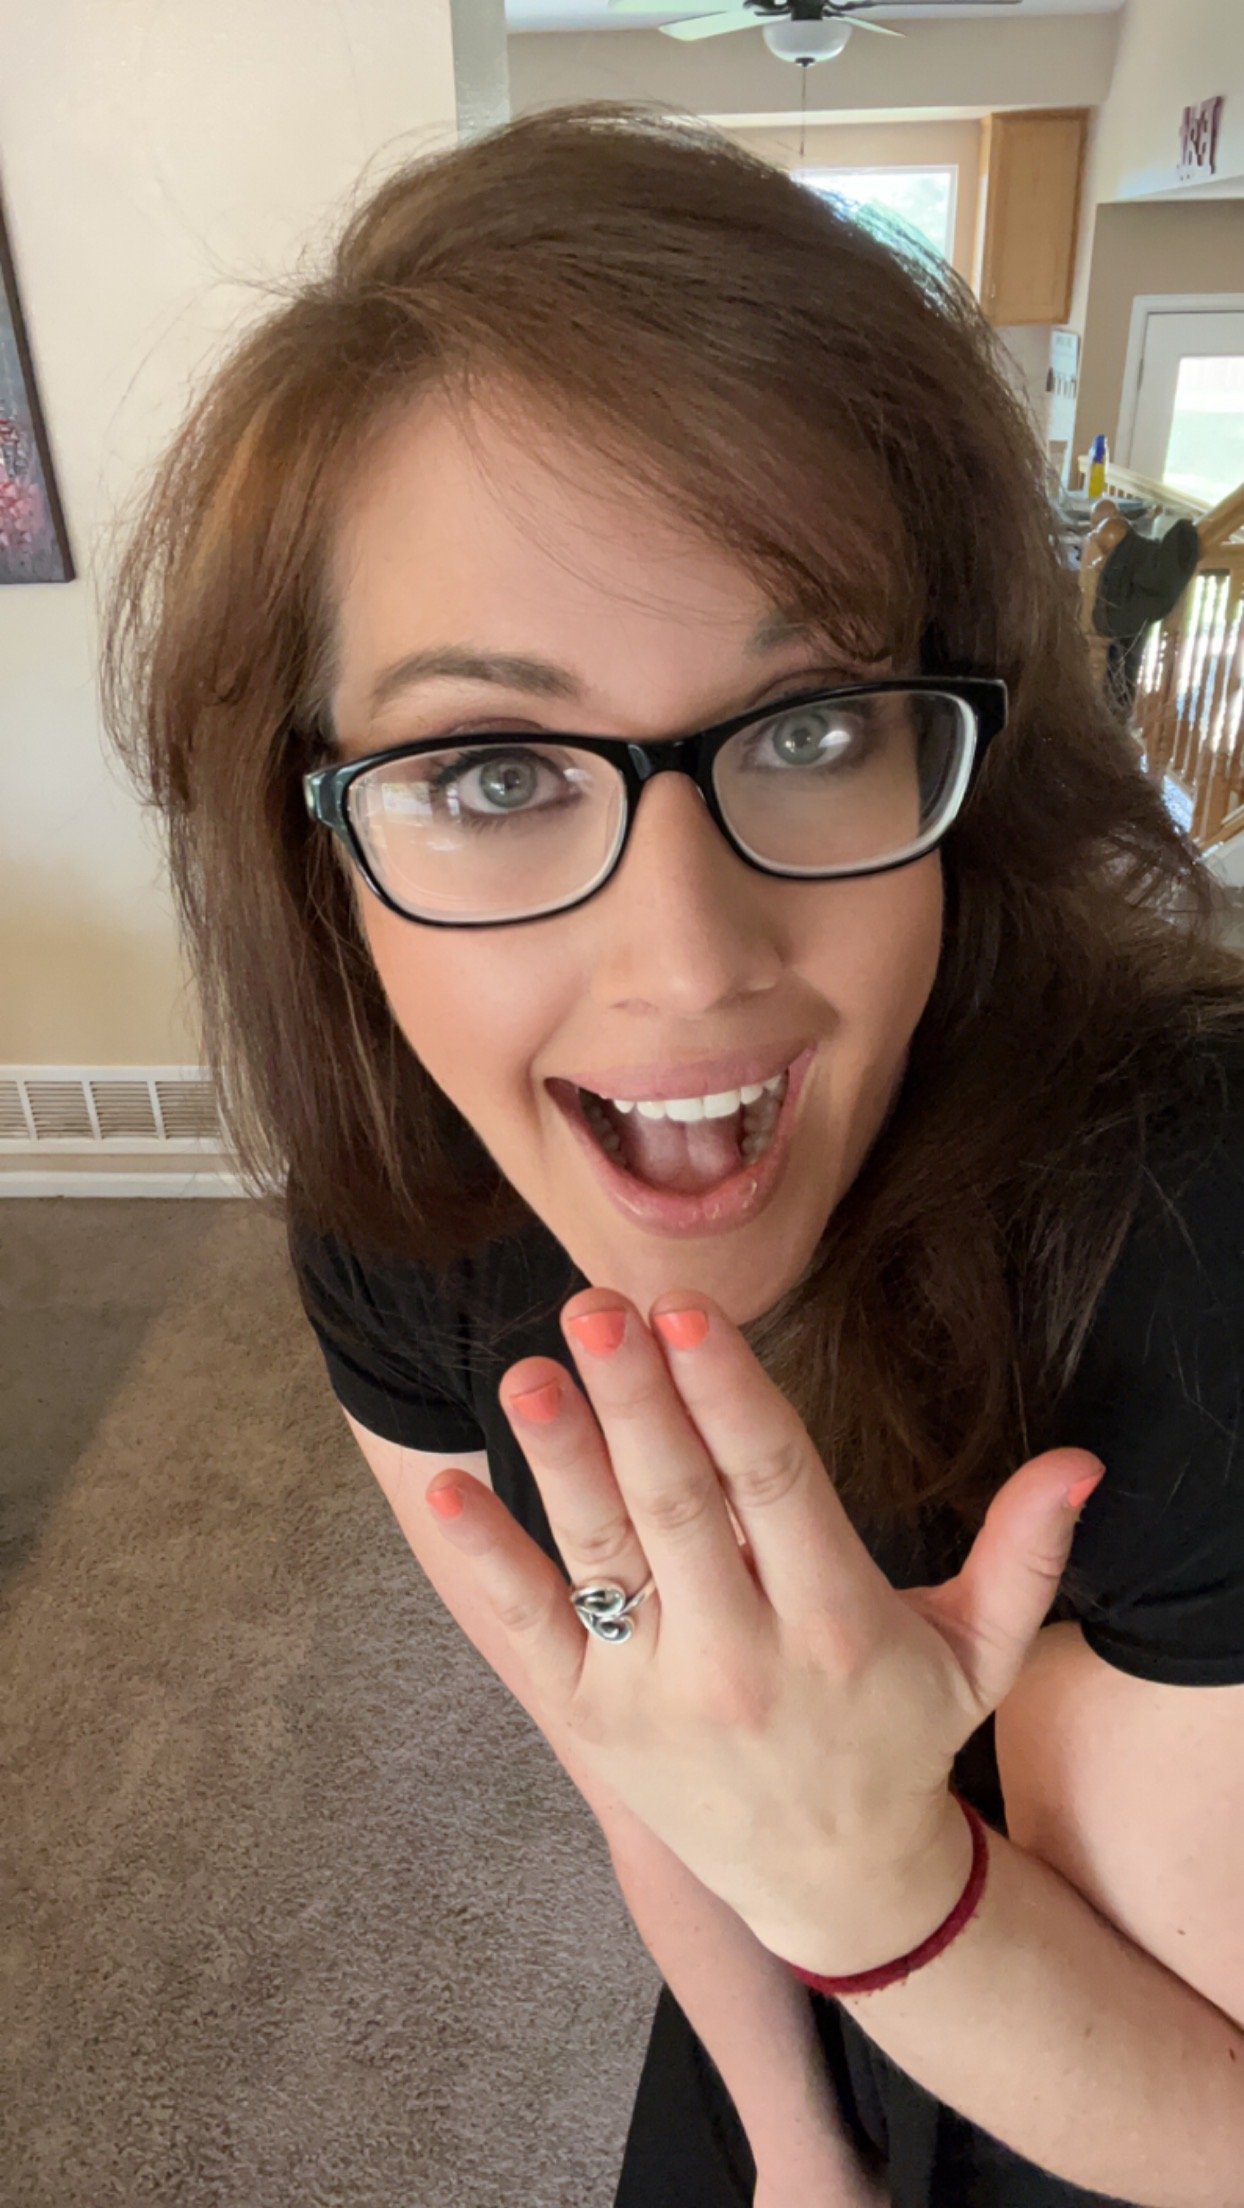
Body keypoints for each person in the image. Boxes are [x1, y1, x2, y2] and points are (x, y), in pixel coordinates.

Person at [99, 100, 1244, 2208]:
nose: (691, 962)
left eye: (809, 728)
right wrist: (797, 2154)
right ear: (311, 845)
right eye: (491, 770)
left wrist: (885, 1889)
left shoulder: (1187, 1240)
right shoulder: (413, 1220)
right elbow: (641, 1758)